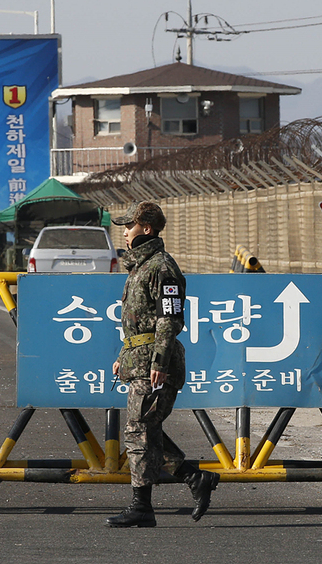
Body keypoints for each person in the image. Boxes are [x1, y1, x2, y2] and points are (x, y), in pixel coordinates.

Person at [105, 201, 219, 528]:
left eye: (130, 225)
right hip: (139, 361)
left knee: (138, 429)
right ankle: (195, 479)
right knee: (146, 430)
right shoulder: (140, 267)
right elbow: (137, 325)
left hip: (156, 365)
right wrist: (123, 358)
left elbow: (169, 319)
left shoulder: (162, 267)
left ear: (148, 229)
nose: (125, 231)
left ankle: (141, 506)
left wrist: (160, 361)